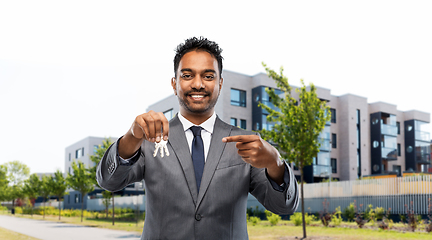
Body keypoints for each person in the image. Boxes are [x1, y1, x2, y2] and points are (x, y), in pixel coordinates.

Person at [97, 36, 299, 240]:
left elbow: (283, 206)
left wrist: (276, 162)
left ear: (220, 83)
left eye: (208, 76)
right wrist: (132, 136)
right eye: (187, 75)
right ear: (174, 83)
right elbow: (108, 181)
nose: (198, 84)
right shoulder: (149, 138)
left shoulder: (247, 142)